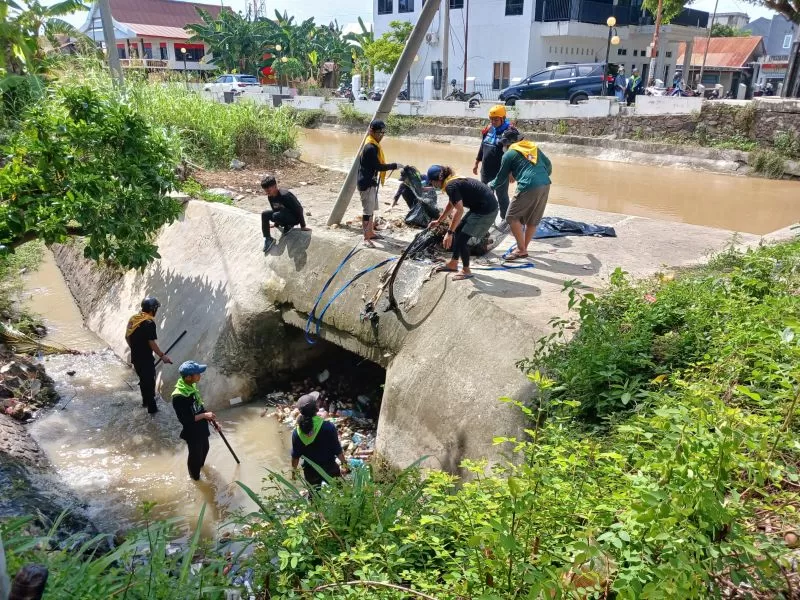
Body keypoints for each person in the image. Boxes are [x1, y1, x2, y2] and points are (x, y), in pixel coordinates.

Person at [489, 130, 553, 262]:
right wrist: (538, 175)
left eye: (504, 144)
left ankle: (521, 249)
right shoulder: (533, 149)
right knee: (532, 219)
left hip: (528, 185)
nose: (503, 147)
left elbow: (500, 178)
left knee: (511, 217)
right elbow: (549, 166)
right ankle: (522, 249)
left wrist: (490, 185)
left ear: (508, 143)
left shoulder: (509, 153)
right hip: (545, 183)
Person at [426, 166, 499, 281]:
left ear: (437, 179)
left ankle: (466, 270)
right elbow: (451, 204)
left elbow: (459, 210)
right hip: (479, 207)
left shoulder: (451, 186)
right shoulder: (451, 181)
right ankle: (453, 263)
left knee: (462, 238)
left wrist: (449, 233)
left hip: (486, 210)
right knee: (459, 230)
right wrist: (439, 221)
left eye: (432, 182)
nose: (432, 185)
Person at [357, 120, 402, 246]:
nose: (381, 135)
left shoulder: (374, 144)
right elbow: (378, 166)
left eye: (383, 132)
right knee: (367, 211)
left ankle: (371, 232)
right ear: (371, 131)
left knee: (371, 210)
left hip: (371, 182)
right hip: (366, 184)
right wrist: (394, 165)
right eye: (378, 132)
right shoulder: (370, 147)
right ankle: (366, 238)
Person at [125, 296, 173, 414]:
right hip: (146, 359)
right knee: (150, 385)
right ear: (153, 309)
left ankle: (145, 403)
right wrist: (163, 356)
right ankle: (153, 414)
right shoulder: (149, 322)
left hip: (135, 358)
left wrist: (134, 348)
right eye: (156, 309)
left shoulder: (134, 319)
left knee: (143, 381)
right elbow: (151, 343)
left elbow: (127, 336)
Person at [291, 392, 349, 487]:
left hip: (310, 471)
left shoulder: (297, 432)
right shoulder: (328, 427)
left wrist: (294, 473)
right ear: (316, 409)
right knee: (341, 493)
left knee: (314, 498)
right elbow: (337, 449)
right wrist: (344, 464)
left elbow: (295, 456)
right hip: (330, 468)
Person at [473, 105, 518, 226]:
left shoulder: (509, 133)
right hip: (486, 170)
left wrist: (511, 172)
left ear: (503, 118)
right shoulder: (488, 129)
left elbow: (514, 154)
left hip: (501, 171)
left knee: (502, 196)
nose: (493, 122)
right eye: (491, 119)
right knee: (485, 195)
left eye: (496, 119)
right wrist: (477, 163)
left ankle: (505, 220)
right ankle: (487, 219)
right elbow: (483, 146)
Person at [172, 361, 216, 481]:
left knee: (205, 448)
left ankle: (200, 468)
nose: (200, 376)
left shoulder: (192, 387)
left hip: (201, 427)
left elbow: (199, 407)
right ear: (188, 377)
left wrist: (212, 420)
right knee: (195, 456)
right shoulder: (179, 397)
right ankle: (195, 480)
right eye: (197, 374)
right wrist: (205, 415)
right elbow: (187, 420)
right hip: (192, 432)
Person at [260, 175, 311, 253]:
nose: (267, 192)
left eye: (268, 190)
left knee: (276, 215)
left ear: (274, 186)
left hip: (294, 218)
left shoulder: (285, 195)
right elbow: (275, 209)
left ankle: (289, 226)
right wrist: (276, 224)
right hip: (282, 216)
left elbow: (299, 209)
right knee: (265, 214)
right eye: (265, 190)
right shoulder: (270, 196)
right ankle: (268, 238)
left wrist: (303, 226)